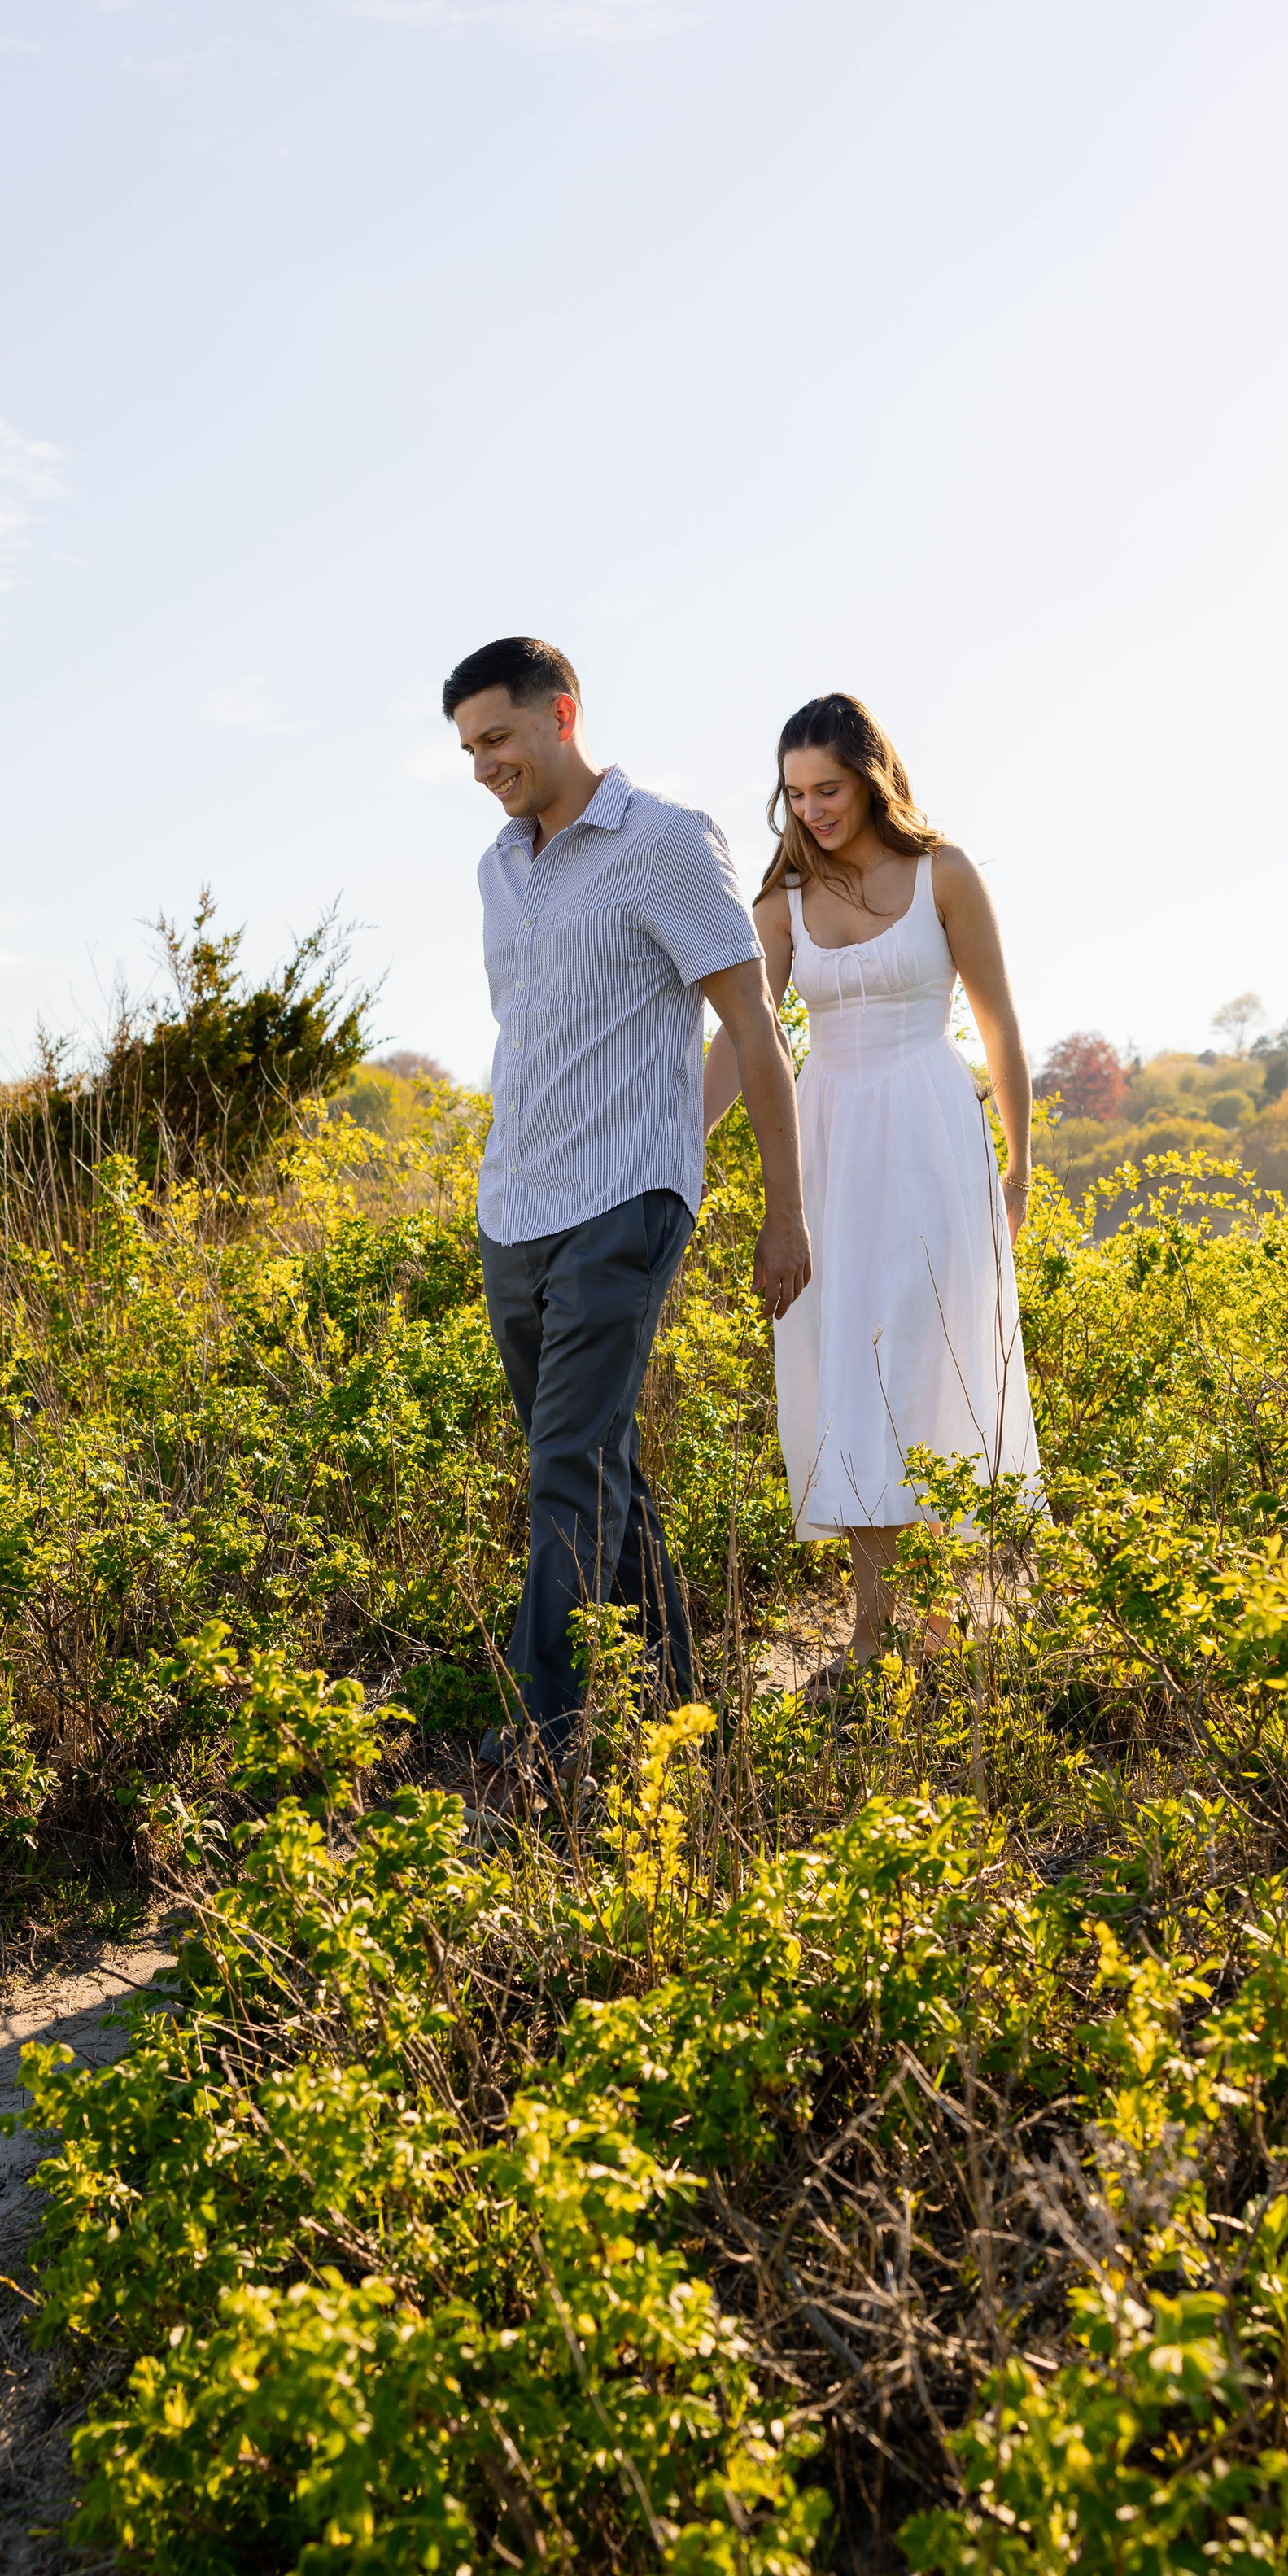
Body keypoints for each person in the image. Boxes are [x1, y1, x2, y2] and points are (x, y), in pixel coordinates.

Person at [446, 635, 810, 1792]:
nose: (483, 766)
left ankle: (538, 1743)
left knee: (562, 1467)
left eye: (497, 737)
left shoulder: (664, 841)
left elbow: (753, 1027)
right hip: (517, 1206)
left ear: (562, 715)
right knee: (597, 1461)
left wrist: (783, 1215)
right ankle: (686, 1712)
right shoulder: (497, 871)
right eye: (467, 748)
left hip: (628, 1198)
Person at [702, 691, 1041, 1664]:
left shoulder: (944, 875)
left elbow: (999, 1023)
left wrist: (1018, 1169)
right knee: (848, 1359)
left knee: (929, 1353)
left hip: (933, 1130)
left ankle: (936, 1616)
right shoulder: (781, 905)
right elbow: (743, 1040)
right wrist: (679, 1143)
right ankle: (869, 1623)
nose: (810, 809)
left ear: (871, 778)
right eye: (795, 792)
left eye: (828, 787)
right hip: (830, 1140)